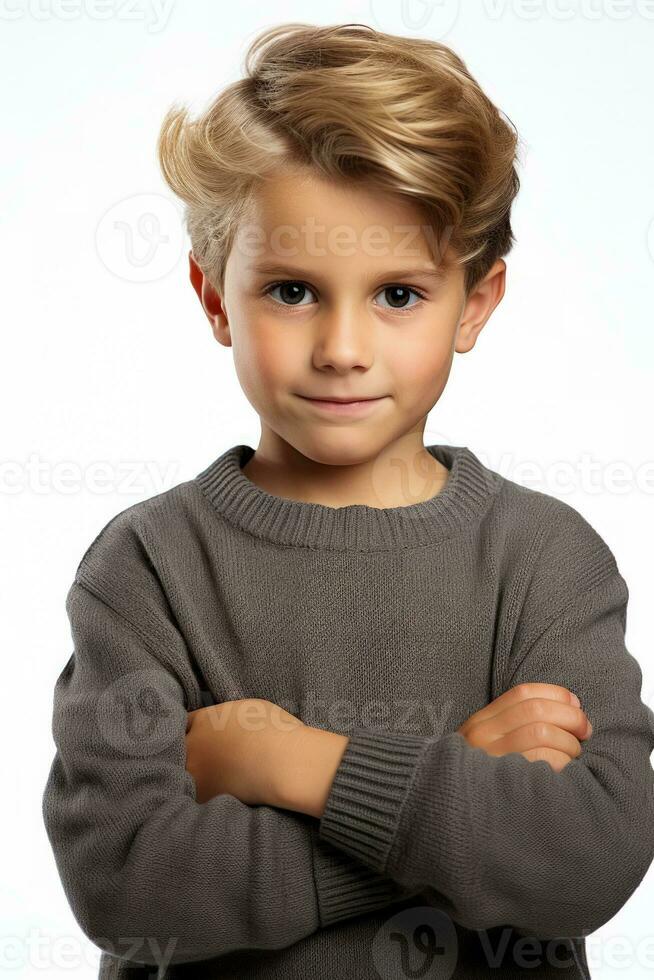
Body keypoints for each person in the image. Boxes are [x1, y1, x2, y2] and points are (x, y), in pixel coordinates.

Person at [42, 21, 654, 980]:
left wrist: (290, 762)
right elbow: (127, 886)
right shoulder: (149, 565)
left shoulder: (544, 558)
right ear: (213, 298)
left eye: (399, 296)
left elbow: (584, 861)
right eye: (292, 290)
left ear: (477, 302)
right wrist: (450, 787)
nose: (342, 347)